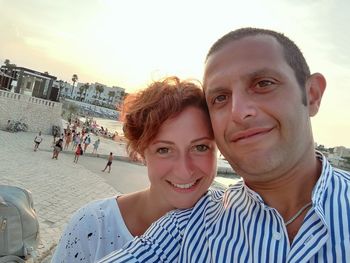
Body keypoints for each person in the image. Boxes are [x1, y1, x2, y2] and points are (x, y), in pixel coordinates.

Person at [99, 28, 350, 262]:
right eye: (220, 98)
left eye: (263, 84)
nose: (238, 112)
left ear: (312, 94)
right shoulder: (185, 228)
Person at [51, 77, 217, 262]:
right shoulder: (93, 226)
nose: (185, 170)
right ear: (141, 152)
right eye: (164, 150)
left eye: (200, 147)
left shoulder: (236, 226)